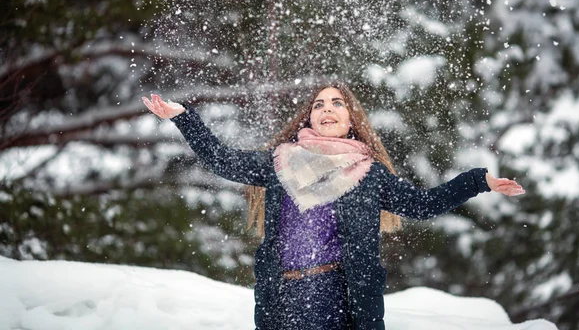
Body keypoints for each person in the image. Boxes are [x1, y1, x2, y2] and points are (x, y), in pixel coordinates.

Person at [142, 82, 525, 330]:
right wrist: (183, 117)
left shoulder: (368, 173)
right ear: (309, 116)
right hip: (280, 299)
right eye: (319, 104)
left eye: (337, 103)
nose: (327, 108)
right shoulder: (280, 162)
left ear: (349, 119)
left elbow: (421, 204)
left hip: (339, 301)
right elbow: (221, 160)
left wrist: (478, 181)